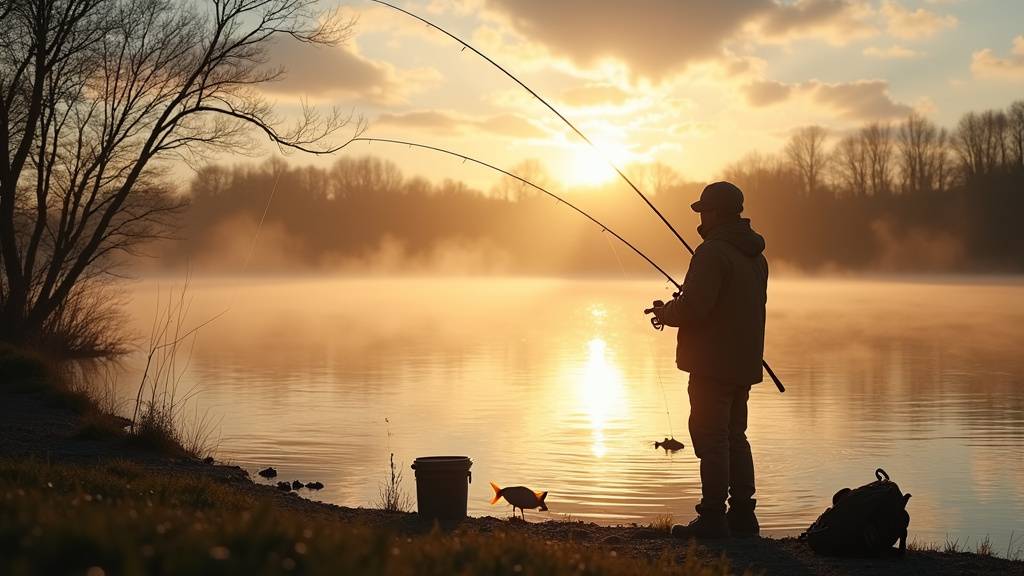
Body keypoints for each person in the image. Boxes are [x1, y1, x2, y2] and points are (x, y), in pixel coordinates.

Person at [650, 181, 768, 539]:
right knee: (735, 437)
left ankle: (714, 518)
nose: (700, 216)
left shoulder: (712, 253)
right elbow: (729, 305)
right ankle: (744, 517)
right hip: (743, 361)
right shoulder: (755, 256)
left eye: (704, 210)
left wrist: (666, 312)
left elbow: (695, 308)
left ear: (716, 213)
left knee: (712, 438)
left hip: (711, 364)